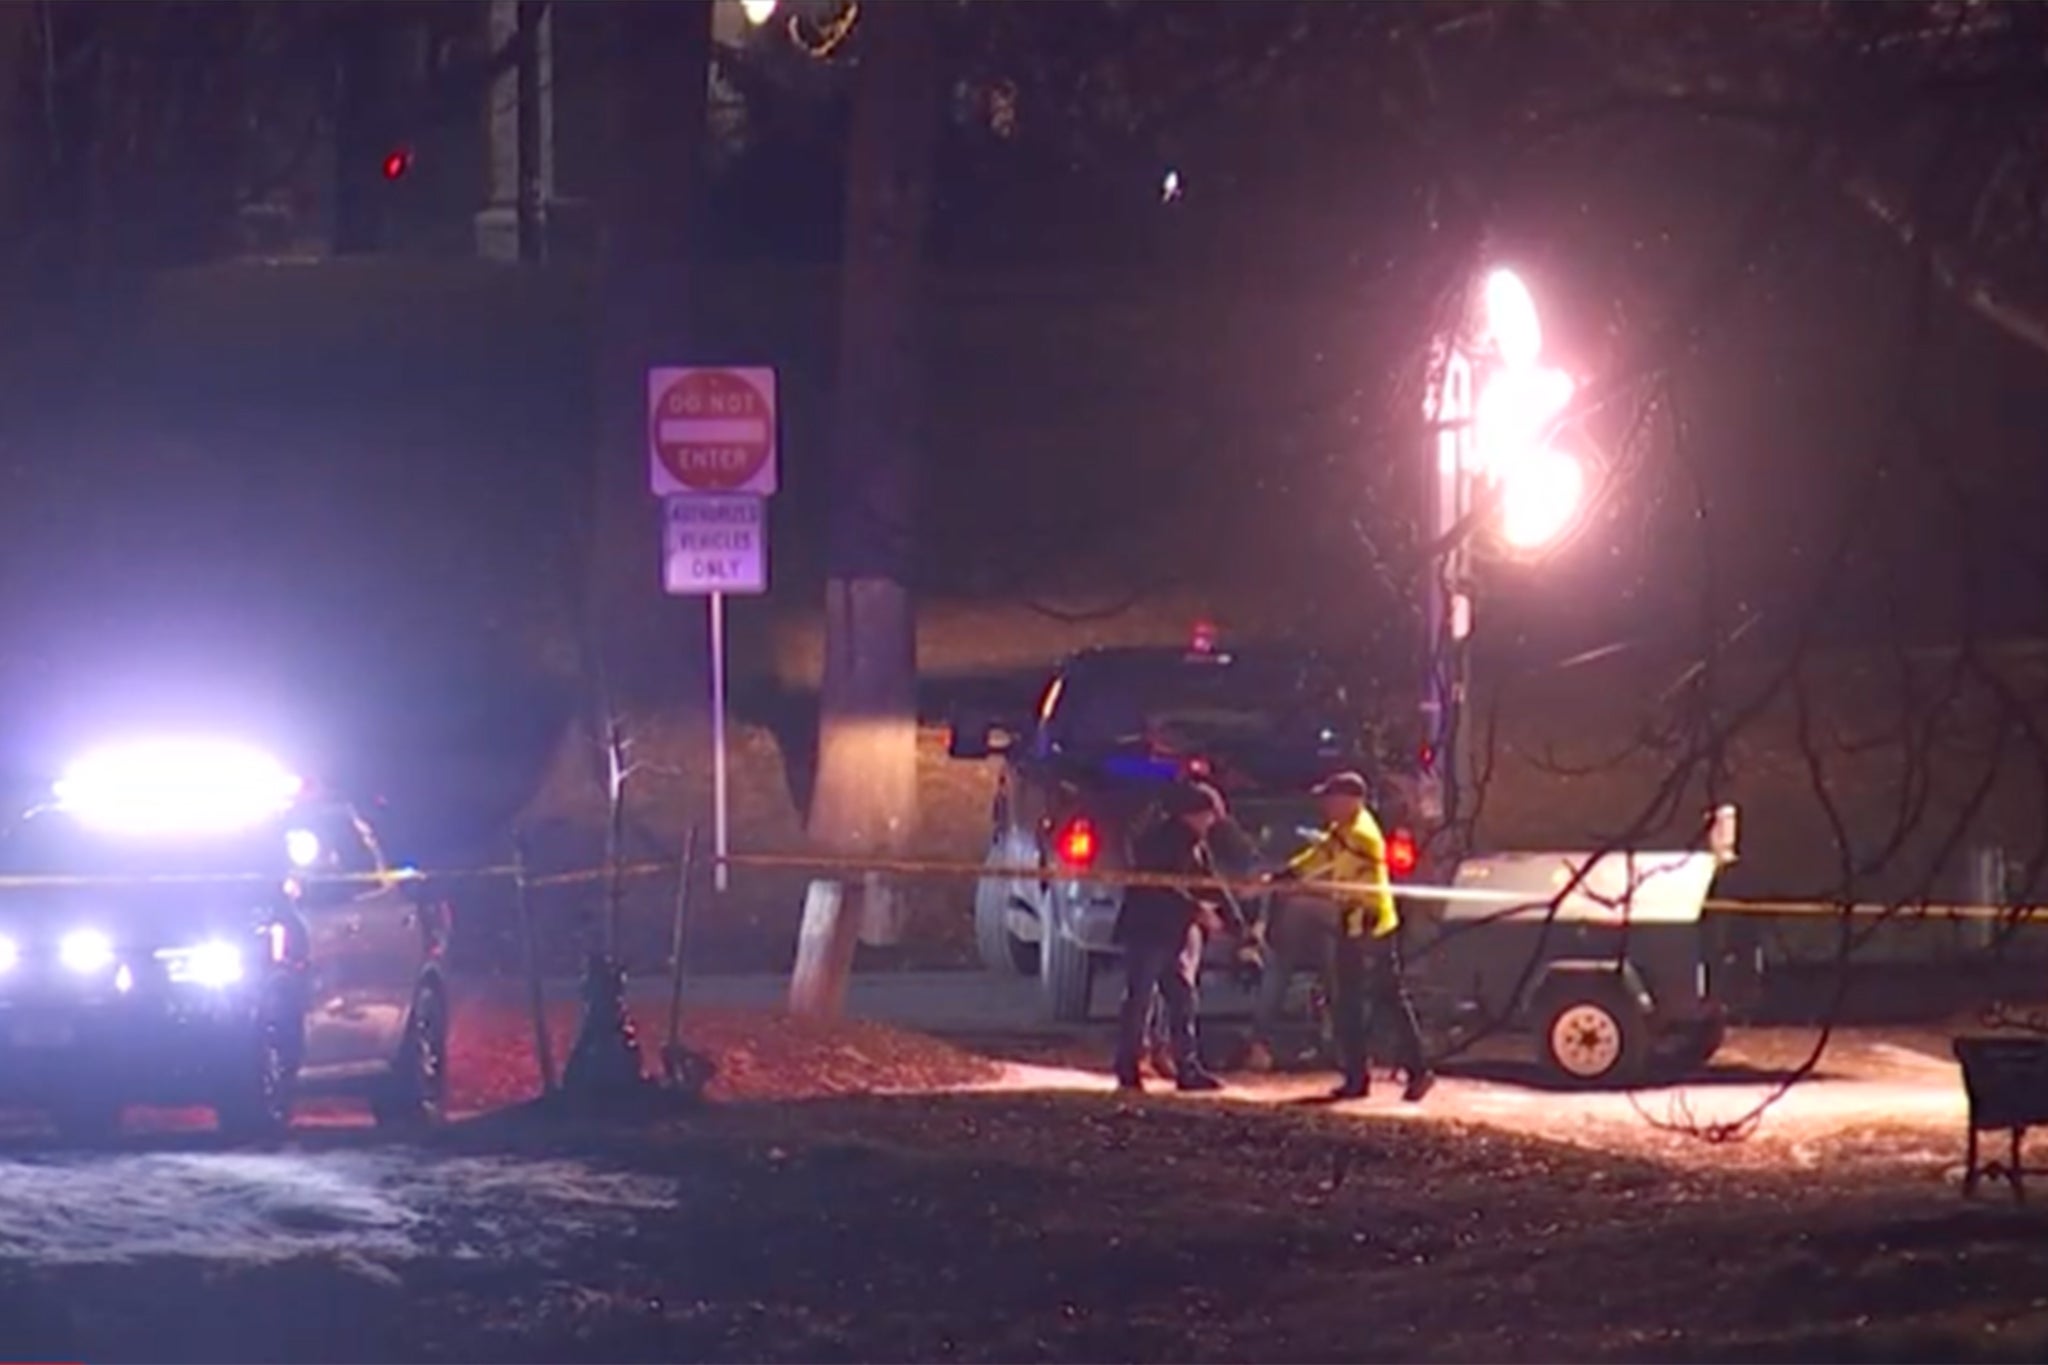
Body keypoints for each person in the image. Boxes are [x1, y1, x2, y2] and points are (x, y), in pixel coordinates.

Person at [1269, 771, 1434, 1101]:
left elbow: (1360, 884)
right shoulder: (1345, 829)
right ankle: (1362, 1076)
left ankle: (1410, 1071)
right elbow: (1321, 855)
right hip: (1354, 923)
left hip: (1370, 926)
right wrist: (1288, 873)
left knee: (1380, 1000)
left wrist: (1295, 879)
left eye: (1331, 798)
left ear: (1350, 801)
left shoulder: (1361, 835)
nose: (1326, 805)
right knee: (1351, 1002)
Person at [1112, 780, 1241, 1092]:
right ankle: (1129, 1067)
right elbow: (1159, 887)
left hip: (1171, 933)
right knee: (1140, 998)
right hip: (1148, 929)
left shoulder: (1193, 843)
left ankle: (1187, 1067)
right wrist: (1197, 912)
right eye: (1209, 814)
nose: (1212, 822)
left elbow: (1209, 882)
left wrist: (1236, 922)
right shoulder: (1161, 842)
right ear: (1194, 814)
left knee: (1181, 999)